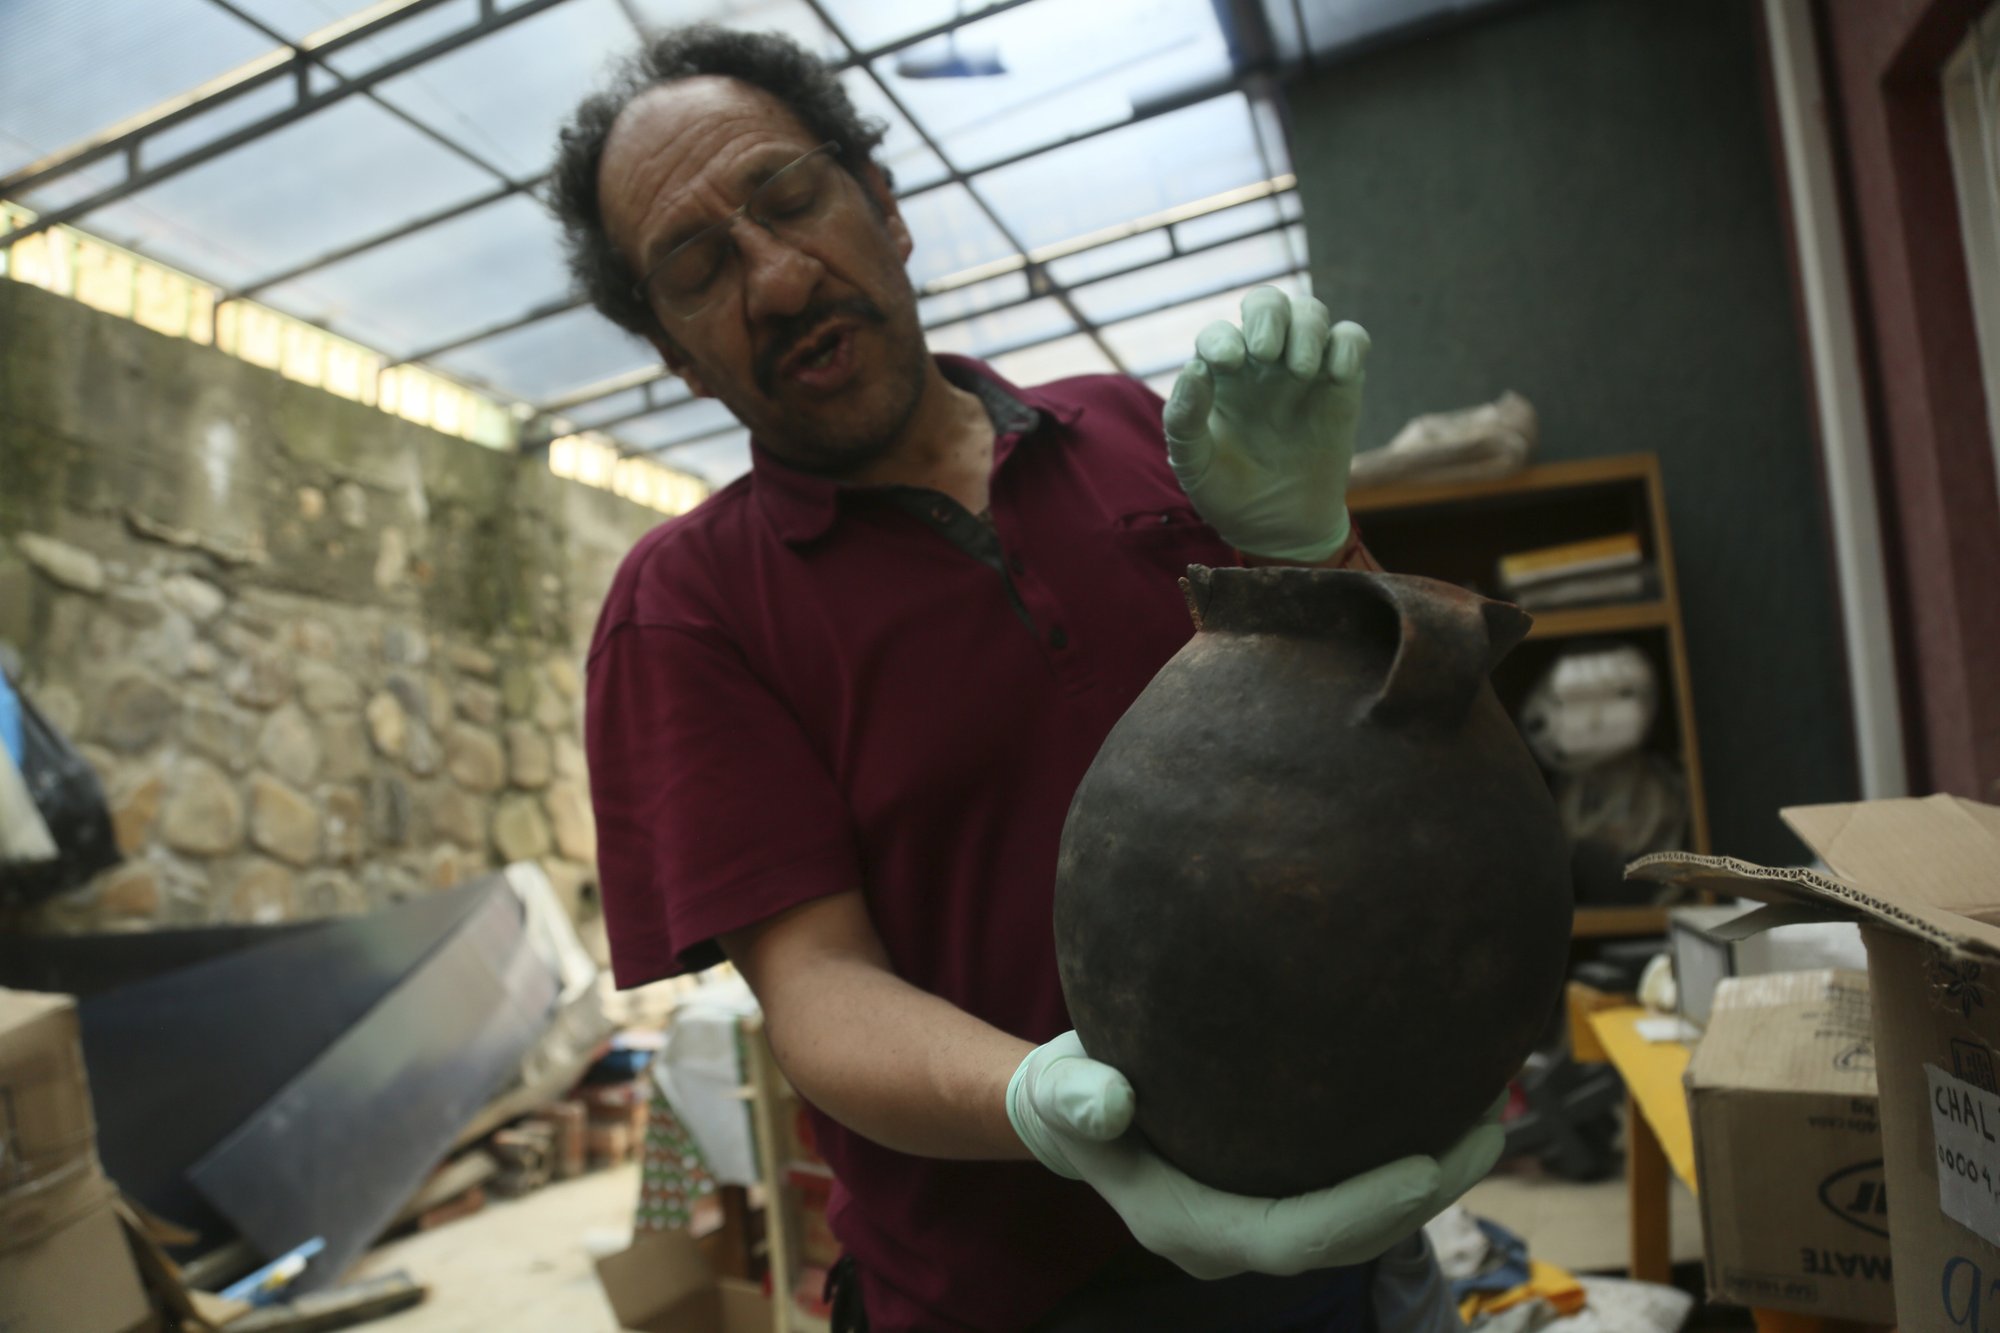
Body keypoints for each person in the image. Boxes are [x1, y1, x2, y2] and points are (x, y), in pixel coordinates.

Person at [556, 25, 1499, 1333]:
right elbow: (814, 983)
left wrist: (1320, 549)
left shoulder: (1129, 428)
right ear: (675, 353)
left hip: (1349, 1217)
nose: (775, 279)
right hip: (1011, 1300)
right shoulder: (690, 604)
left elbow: (1391, 750)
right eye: (698, 267)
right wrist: (1051, 1109)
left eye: (789, 198)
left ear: (883, 204)